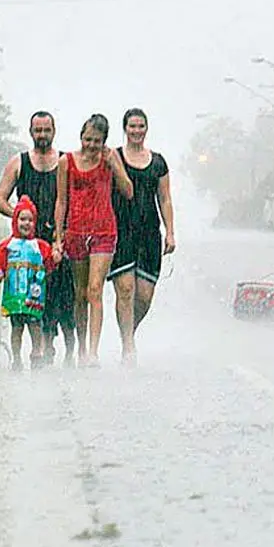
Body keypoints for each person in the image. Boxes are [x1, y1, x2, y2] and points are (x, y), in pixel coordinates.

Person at [0, 111, 77, 367]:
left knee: (60, 297)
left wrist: (62, 235)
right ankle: (35, 350)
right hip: (27, 247)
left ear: (54, 131)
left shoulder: (65, 161)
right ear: (31, 132)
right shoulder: (19, 163)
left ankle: (58, 347)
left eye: (46, 130)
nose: (42, 135)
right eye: (38, 130)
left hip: (57, 241)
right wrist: (20, 217)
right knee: (30, 297)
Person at [53, 113, 133, 368]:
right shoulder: (67, 161)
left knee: (95, 290)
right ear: (81, 137)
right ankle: (82, 345)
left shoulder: (110, 159)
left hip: (103, 231)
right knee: (80, 293)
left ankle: (93, 353)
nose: (91, 145)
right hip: (76, 231)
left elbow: (128, 191)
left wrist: (114, 165)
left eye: (96, 141)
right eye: (87, 139)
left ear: (104, 141)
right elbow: (61, 200)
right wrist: (58, 236)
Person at [107, 108, 175, 365]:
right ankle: (128, 347)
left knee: (144, 296)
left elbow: (165, 198)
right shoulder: (114, 157)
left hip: (149, 234)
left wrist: (170, 231)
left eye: (141, 126)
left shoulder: (158, 162)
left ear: (146, 129)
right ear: (125, 128)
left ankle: (129, 332)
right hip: (121, 232)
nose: (136, 131)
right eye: (132, 126)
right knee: (125, 290)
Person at [0, 195, 62, 371]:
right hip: (14, 295)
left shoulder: (40, 246)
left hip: (33, 295)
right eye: (22, 219)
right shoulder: (7, 246)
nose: (26, 224)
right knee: (17, 327)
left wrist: (55, 258)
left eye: (30, 220)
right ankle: (16, 358)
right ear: (15, 221)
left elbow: (49, 264)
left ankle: (36, 353)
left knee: (35, 325)